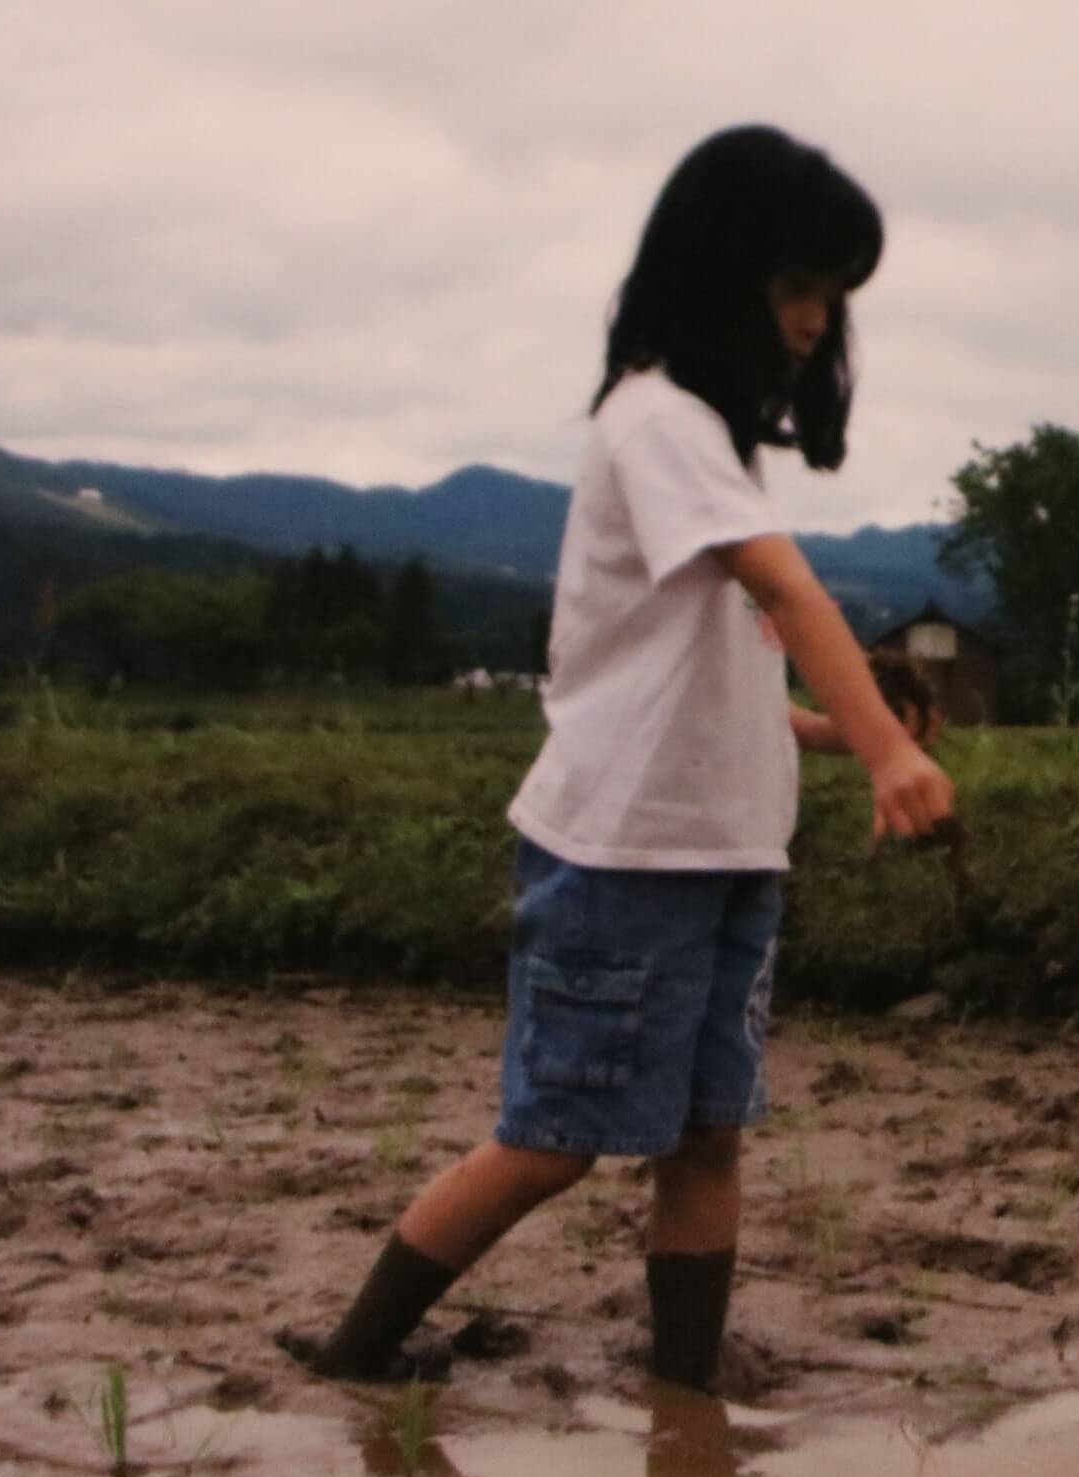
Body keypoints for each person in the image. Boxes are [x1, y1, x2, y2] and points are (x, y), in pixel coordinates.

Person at [283, 125, 955, 1394]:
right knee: (554, 1140)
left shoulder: (711, 436)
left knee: (708, 1134)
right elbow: (786, 587)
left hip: (724, 850)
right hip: (621, 853)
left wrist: (820, 730)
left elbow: (712, 661)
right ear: (723, 278)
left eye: (832, 298)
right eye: (799, 289)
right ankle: (356, 1352)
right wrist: (881, 752)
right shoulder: (655, 419)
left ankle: (687, 1382)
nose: (817, 322)